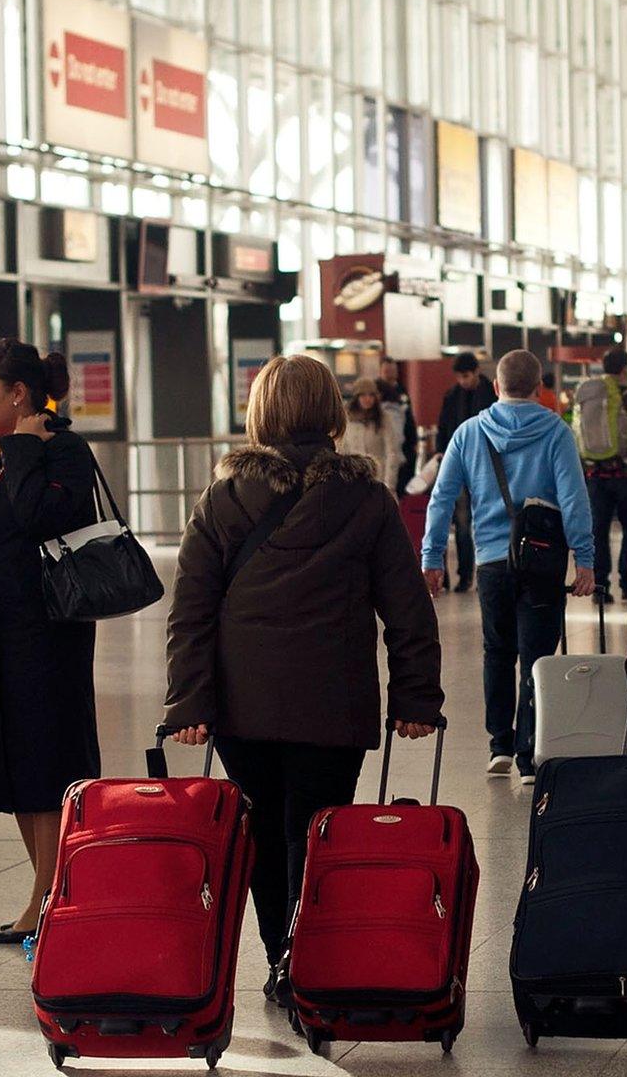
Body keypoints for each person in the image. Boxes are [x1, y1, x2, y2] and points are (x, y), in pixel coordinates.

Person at [163, 353, 444, 1003]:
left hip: (244, 702)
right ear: (332, 413)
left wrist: (190, 703)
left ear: (260, 414)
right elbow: (406, 607)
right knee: (316, 829)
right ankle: (307, 952)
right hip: (332, 702)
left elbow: (191, 609)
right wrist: (416, 698)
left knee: (262, 830)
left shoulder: (225, 496)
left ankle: (278, 959)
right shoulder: (366, 499)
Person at [0, 338, 102, 946]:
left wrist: (22, 449)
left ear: (19, 394)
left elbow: (46, 518)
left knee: (48, 761)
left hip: (46, 634)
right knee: (15, 765)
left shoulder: (61, 450)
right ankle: (44, 889)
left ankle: (50, 896)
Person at [423, 350, 596, 784]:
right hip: (542, 561)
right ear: (539, 389)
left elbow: (441, 499)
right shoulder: (556, 431)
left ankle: (499, 744)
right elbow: (575, 499)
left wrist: (431, 559)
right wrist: (586, 559)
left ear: (496, 387)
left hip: (492, 562)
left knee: (496, 652)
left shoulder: (468, 433)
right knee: (536, 659)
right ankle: (528, 757)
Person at [574, 348, 627, 604]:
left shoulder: (588, 395)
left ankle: (600, 586)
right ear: (624, 368)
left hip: (595, 475)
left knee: (598, 530)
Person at [434, 351, 497, 592]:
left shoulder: (492, 394)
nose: (463, 381)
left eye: (467, 376)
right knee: (461, 522)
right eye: (459, 377)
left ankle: (485, 572)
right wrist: (441, 452)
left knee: (485, 521)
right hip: (460, 466)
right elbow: (443, 428)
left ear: (477, 371)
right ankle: (464, 574)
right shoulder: (452, 396)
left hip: (487, 467)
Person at [339, 376, 405, 490]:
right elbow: (342, 450)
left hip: (379, 477)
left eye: (371, 395)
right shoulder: (347, 419)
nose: (367, 399)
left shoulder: (384, 418)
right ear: (356, 397)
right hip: (355, 480)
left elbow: (392, 451)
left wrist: (389, 483)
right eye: (363, 395)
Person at [377, 358, 421, 492]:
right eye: (386, 370)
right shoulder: (376, 391)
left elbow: (409, 417)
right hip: (384, 445)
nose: (390, 373)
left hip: (405, 444)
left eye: (392, 370)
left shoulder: (402, 390)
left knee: (405, 483)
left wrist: (414, 440)